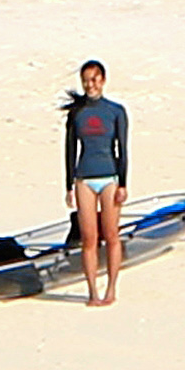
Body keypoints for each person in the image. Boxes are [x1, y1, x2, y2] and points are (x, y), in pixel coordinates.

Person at [63, 60, 131, 306]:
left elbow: (122, 149)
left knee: (111, 235)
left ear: (103, 80)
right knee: (89, 239)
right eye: (86, 80)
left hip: (110, 178)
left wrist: (123, 183)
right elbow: (70, 149)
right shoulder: (77, 113)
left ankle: (111, 289)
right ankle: (92, 291)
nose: (90, 85)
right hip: (84, 180)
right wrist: (68, 185)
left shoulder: (116, 111)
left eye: (94, 79)